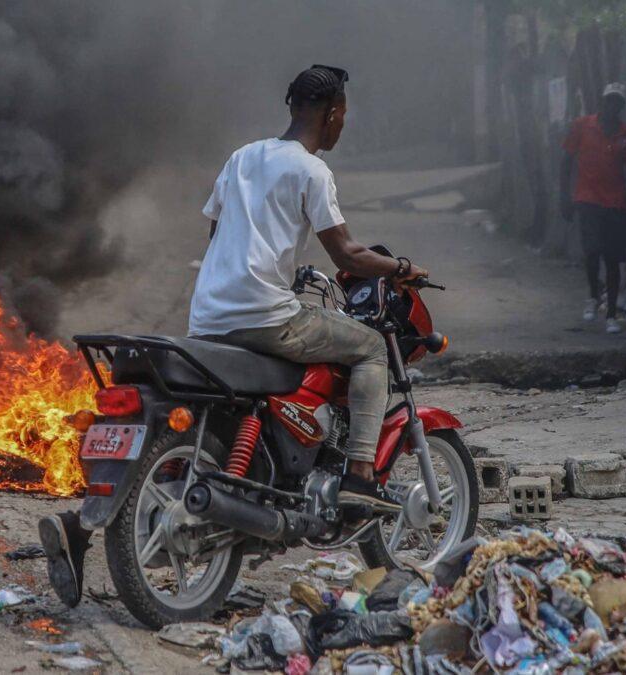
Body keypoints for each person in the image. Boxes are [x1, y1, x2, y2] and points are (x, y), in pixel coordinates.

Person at [39, 65, 427, 608]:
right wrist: (399, 267)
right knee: (366, 348)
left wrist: (273, 266)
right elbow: (346, 255)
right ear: (333, 113)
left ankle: (88, 523)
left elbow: (220, 234)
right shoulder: (312, 172)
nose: (342, 126)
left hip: (210, 320)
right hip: (268, 318)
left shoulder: (242, 157)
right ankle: (361, 475)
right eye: (342, 116)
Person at [560, 82, 626, 334]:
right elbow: (566, 161)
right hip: (586, 198)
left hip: (616, 202)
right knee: (591, 250)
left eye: (617, 102)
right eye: (609, 100)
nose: (612, 106)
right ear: (602, 102)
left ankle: (610, 314)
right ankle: (592, 296)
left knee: (611, 258)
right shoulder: (581, 126)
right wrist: (564, 197)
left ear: (621, 107)